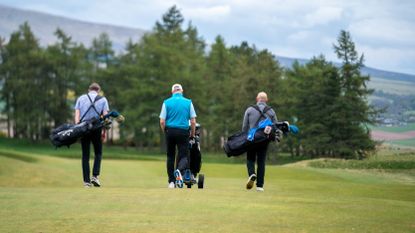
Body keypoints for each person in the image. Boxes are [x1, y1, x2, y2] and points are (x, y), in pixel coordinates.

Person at [159, 84, 197, 189]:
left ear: (172, 92)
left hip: (170, 131)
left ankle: (171, 182)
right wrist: (192, 134)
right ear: (182, 91)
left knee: (170, 156)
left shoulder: (166, 102)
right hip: (183, 132)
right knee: (183, 155)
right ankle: (179, 171)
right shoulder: (188, 102)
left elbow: (162, 121)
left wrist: (165, 132)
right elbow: (193, 121)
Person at [74, 83, 109, 188]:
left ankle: (86, 182)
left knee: (85, 155)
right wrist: (104, 132)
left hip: (84, 127)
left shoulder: (81, 98)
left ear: (89, 89)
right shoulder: (103, 99)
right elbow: (105, 118)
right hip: (97, 128)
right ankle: (95, 176)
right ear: (98, 90)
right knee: (98, 153)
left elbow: (77, 116)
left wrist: (78, 129)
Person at [242, 92, 277, 192]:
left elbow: (244, 127)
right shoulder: (271, 111)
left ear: (257, 99)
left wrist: (244, 137)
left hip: (252, 138)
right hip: (264, 140)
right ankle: (260, 186)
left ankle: (252, 174)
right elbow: (275, 127)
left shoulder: (249, 109)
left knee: (250, 159)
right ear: (266, 100)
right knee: (261, 161)